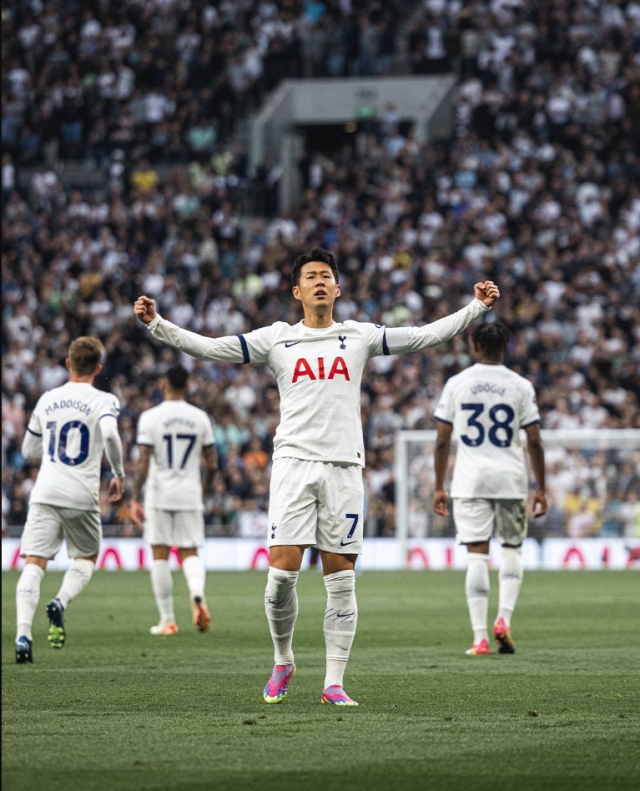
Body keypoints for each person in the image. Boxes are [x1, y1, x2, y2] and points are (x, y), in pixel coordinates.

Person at [134, 248, 500, 705]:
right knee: (280, 576)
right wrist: (156, 323)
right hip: (293, 465)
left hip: (344, 468)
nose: (320, 282)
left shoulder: (360, 335)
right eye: (311, 277)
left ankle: (333, 683)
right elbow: (210, 347)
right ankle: (283, 659)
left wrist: (476, 308)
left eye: (326, 275)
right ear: (297, 291)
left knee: (341, 580)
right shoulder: (277, 339)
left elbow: (424, 336)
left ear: (338, 288)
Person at [432, 321, 546, 656]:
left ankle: (480, 638)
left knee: (477, 555)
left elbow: (442, 440)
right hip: (510, 478)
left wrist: (438, 486)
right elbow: (534, 440)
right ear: (505, 348)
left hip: (470, 480)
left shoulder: (457, 383)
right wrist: (541, 487)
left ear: (475, 347)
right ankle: (503, 620)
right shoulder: (520, 385)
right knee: (512, 549)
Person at [15, 337, 125, 664]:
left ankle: (23, 637)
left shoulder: (48, 399)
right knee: (86, 558)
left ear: (68, 364)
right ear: (98, 368)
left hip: (46, 491)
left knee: (34, 563)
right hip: (81, 494)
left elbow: (28, 451)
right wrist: (118, 473)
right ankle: (60, 601)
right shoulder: (104, 400)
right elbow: (109, 434)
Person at [130, 365, 218, 635]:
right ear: (188, 386)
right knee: (189, 551)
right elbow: (212, 464)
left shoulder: (150, 417)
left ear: (162, 384)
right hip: (189, 492)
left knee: (160, 555)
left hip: (159, 494)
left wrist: (135, 498)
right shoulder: (201, 418)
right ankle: (196, 592)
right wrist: (202, 490)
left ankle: (167, 620)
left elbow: (143, 461)